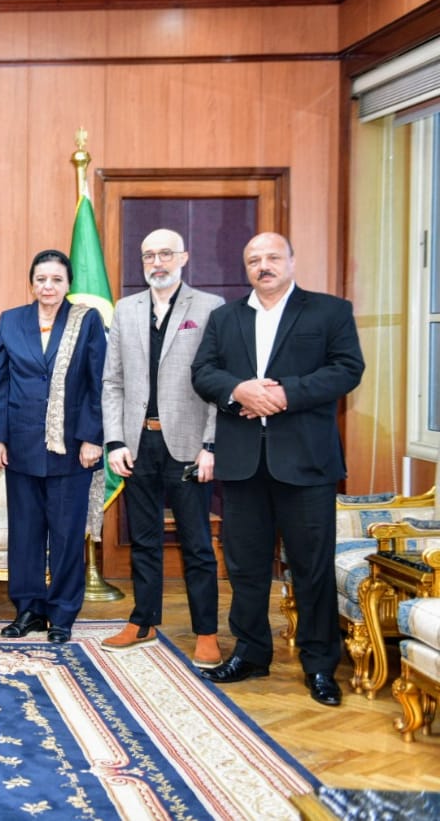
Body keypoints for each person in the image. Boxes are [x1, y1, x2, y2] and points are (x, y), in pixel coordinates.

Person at [191, 231, 364, 706]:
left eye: (272, 257)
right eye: (254, 259)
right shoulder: (225, 318)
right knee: (245, 566)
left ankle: (319, 664)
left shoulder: (329, 311)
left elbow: (347, 369)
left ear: (291, 261)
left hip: (306, 462)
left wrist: (284, 394)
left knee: (310, 567)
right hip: (243, 464)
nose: (263, 266)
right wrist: (239, 390)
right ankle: (250, 653)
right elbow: (203, 372)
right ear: (245, 267)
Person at [100, 228, 224, 668]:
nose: (157, 263)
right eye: (149, 255)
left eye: (166, 254)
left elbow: (219, 382)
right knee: (145, 539)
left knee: (197, 544)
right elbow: (112, 381)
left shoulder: (210, 307)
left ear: (183, 258)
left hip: (189, 445)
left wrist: (211, 444)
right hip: (137, 443)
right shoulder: (126, 309)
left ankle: (206, 632)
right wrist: (115, 440)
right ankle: (143, 621)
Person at [0, 249, 106, 644]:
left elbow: (98, 381)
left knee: (67, 535)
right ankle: (28, 610)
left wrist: (92, 437)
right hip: (21, 446)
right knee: (25, 533)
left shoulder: (86, 321)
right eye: (41, 279)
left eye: (56, 279)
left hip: (71, 448)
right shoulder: (11, 320)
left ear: (68, 283)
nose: (48, 286)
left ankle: (62, 614)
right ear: (32, 283)